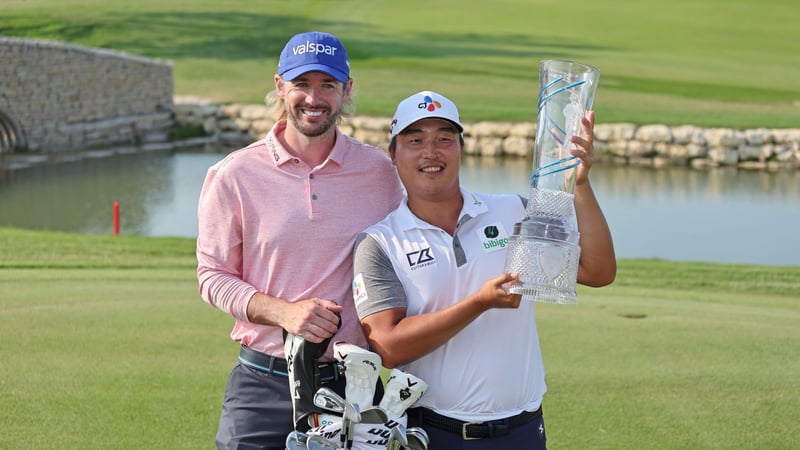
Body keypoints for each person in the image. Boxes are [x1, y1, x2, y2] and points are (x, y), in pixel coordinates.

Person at [352, 90, 616, 448]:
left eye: (445, 139)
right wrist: (478, 303)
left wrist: (580, 183)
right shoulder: (380, 242)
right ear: (393, 156)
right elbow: (387, 346)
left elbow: (597, 270)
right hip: (430, 433)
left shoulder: (511, 213)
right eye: (415, 140)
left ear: (461, 149)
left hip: (522, 430)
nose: (431, 151)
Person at [196, 31, 404, 450]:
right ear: (279, 87)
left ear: (347, 90)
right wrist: (284, 313)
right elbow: (213, 277)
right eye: (301, 85)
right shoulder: (233, 175)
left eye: (327, 85)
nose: (314, 98)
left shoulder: (381, 172)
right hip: (262, 383)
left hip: (353, 389)